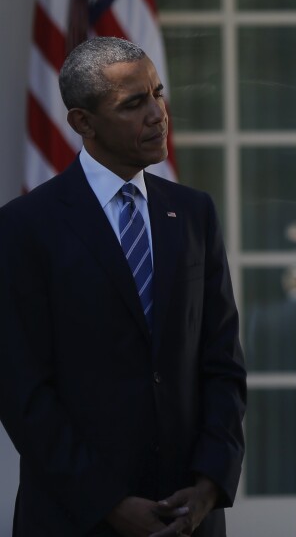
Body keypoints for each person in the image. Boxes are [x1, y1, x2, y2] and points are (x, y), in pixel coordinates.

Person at [0, 37, 246, 536]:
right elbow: (22, 391)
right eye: (133, 103)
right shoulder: (25, 226)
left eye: (158, 93)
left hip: (190, 516)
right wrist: (108, 503)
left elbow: (222, 363)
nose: (157, 114)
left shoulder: (194, 212)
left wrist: (209, 485)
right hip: (75, 517)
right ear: (81, 123)